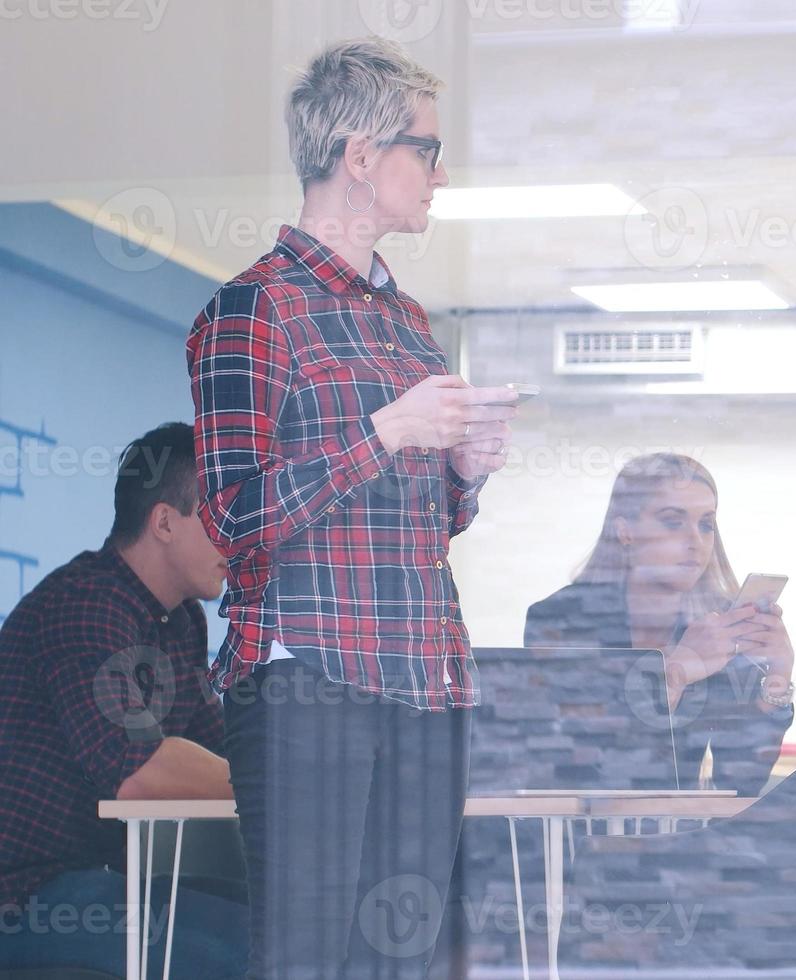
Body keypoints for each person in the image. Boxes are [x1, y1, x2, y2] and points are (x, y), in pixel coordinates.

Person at [188, 37, 522, 977]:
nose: (440, 172)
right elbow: (233, 521)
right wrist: (382, 433)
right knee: (310, 960)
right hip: (308, 680)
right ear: (361, 158)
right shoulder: (253, 310)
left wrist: (464, 471)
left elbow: (428, 526)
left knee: (405, 960)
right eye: (426, 148)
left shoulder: (409, 322)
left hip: (426, 678)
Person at [0, 422, 245, 977]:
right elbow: (137, 768)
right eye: (225, 514)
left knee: (297, 929)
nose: (241, 535)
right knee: (251, 956)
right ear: (164, 521)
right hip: (29, 895)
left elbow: (214, 753)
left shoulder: (179, 621)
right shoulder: (85, 604)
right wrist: (269, 783)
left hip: (112, 876)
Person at [524, 452, 795, 794]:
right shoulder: (561, 618)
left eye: (706, 524)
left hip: (678, 836)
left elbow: (740, 780)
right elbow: (579, 766)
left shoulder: (715, 625)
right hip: (574, 836)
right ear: (625, 531)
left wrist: (777, 679)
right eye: (672, 521)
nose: (695, 541)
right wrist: (674, 673)